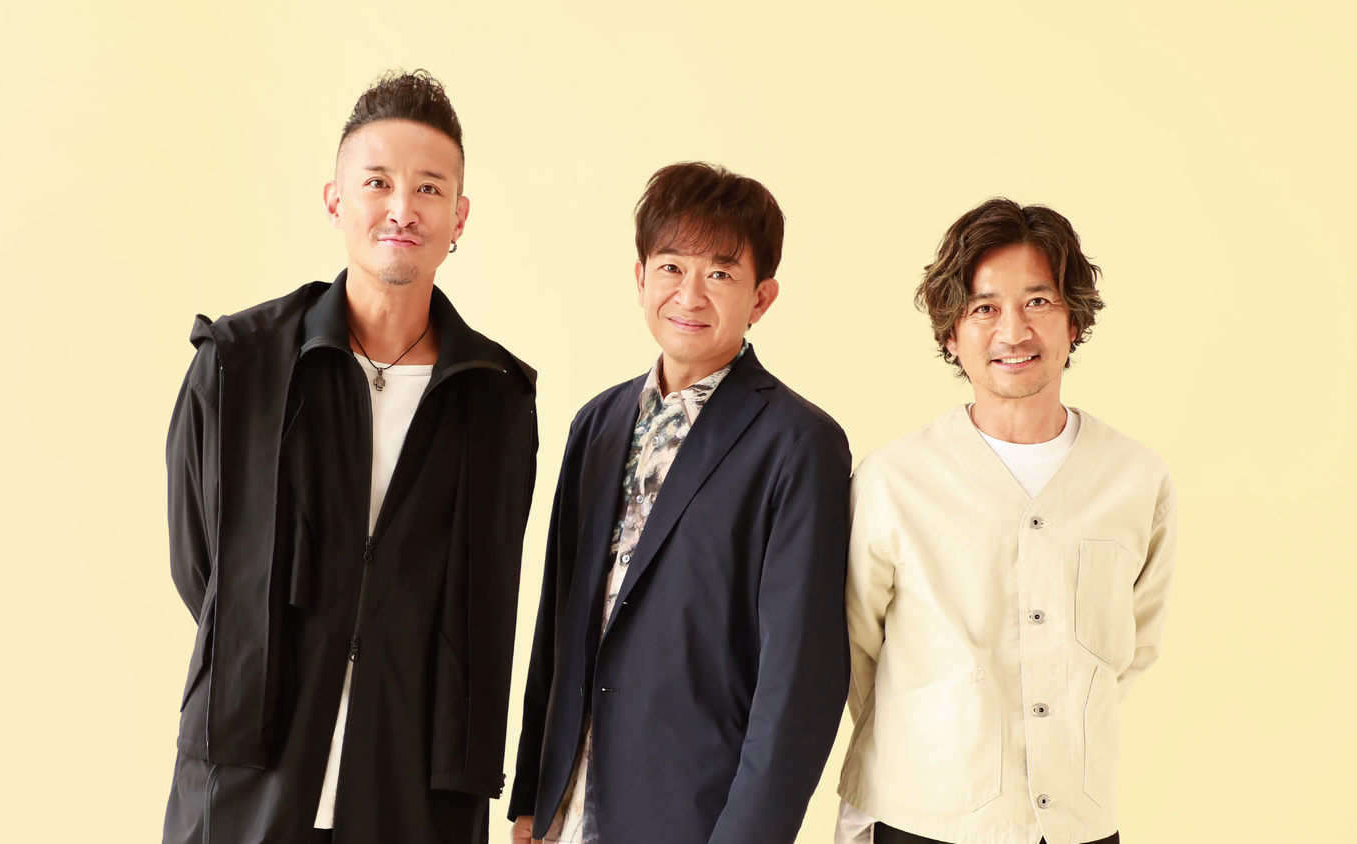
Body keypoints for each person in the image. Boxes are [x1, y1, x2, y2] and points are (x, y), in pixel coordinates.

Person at [161, 70, 538, 844]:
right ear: (336, 200)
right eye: (378, 182)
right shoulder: (240, 366)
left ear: (459, 216)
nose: (403, 208)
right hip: (250, 775)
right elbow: (202, 567)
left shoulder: (497, 399)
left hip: (416, 793)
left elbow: (488, 591)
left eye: (429, 188)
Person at [509, 162, 851, 844]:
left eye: (720, 273)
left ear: (762, 297)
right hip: (567, 809)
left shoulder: (799, 443)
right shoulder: (597, 423)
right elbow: (557, 626)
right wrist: (531, 799)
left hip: (694, 815)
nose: (689, 294)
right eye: (670, 267)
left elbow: (799, 679)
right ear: (640, 278)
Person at [834, 198, 1177, 844]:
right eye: (984, 308)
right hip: (922, 819)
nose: (1014, 332)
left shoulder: (1137, 480)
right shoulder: (893, 481)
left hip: (1077, 823)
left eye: (1038, 302)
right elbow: (854, 649)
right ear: (950, 333)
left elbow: (1133, 650)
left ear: (1074, 320)